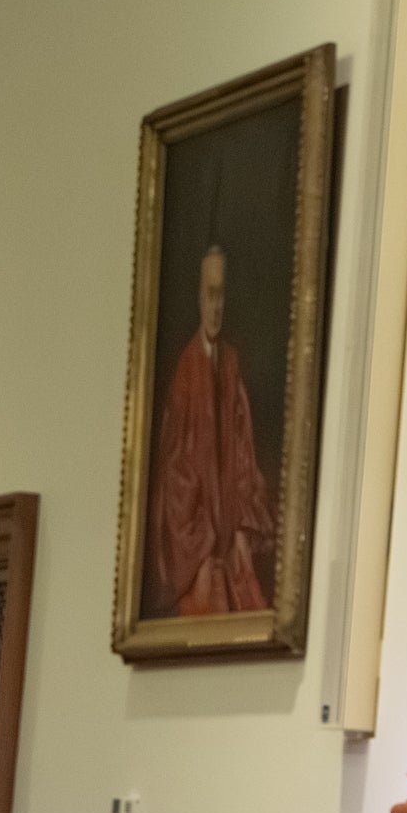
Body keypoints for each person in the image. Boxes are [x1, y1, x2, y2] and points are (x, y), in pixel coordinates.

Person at [149, 243, 274, 615]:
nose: (216, 307)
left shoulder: (231, 364)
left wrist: (238, 525)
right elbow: (177, 471)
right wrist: (205, 534)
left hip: (228, 528)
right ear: (199, 299)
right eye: (210, 296)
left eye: (222, 297)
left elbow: (242, 451)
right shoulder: (185, 373)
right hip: (200, 537)